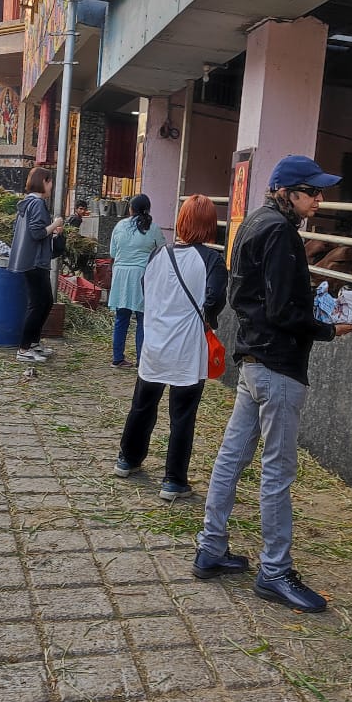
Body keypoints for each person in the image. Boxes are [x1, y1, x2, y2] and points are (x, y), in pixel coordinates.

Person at [192, 155, 352, 614]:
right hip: (279, 366)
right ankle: (274, 570)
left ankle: (210, 546)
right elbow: (286, 310)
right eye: (313, 192)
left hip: (252, 359)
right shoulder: (282, 232)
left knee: (232, 456)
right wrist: (331, 327)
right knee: (277, 470)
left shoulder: (252, 223)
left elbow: (246, 295)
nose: (319, 201)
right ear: (288, 192)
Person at [115, 195, 226, 501]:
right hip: (187, 350)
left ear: (181, 221)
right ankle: (173, 480)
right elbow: (214, 302)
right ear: (209, 225)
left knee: (142, 405)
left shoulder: (158, 254)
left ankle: (128, 459)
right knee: (182, 416)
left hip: (154, 343)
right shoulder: (213, 261)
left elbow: (146, 290)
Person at [8, 166, 64, 363]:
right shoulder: (37, 204)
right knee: (37, 305)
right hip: (35, 261)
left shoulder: (27, 203)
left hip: (30, 260)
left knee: (45, 302)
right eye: (50, 182)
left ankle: (33, 343)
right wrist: (56, 224)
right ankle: (24, 348)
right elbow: (37, 233)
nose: (51, 187)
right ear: (44, 182)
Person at [108, 194, 165, 369]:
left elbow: (112, 253)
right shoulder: (153, 228)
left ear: (130, 209)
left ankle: (117, 358)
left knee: (121, 318)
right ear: (148, 209)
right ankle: (142, 360)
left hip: (121, 275)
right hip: (143, 275)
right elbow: (162, 250)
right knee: (143, 320)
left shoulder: (119, 226)